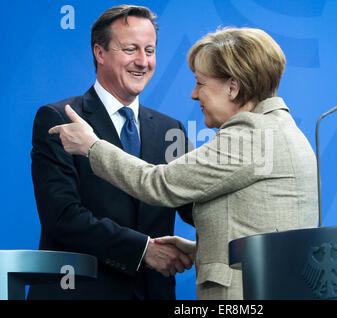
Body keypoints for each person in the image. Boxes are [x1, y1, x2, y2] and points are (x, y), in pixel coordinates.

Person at [50, 27, 318, 300]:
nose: (193, 94)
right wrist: (203, 249)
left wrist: (92, 147)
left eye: (201, 83)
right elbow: (258, 225)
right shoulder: (281, 129)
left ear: (233, 87)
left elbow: (159, 183)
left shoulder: (250, 136)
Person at [29, 5, 194, 300]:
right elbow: (62, 216)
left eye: (150, 50)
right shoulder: (60, 119)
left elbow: (196, 207)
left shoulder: (172, 130)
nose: (143, 62)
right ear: (100, 53)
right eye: (130, 49)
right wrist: (144, 250)